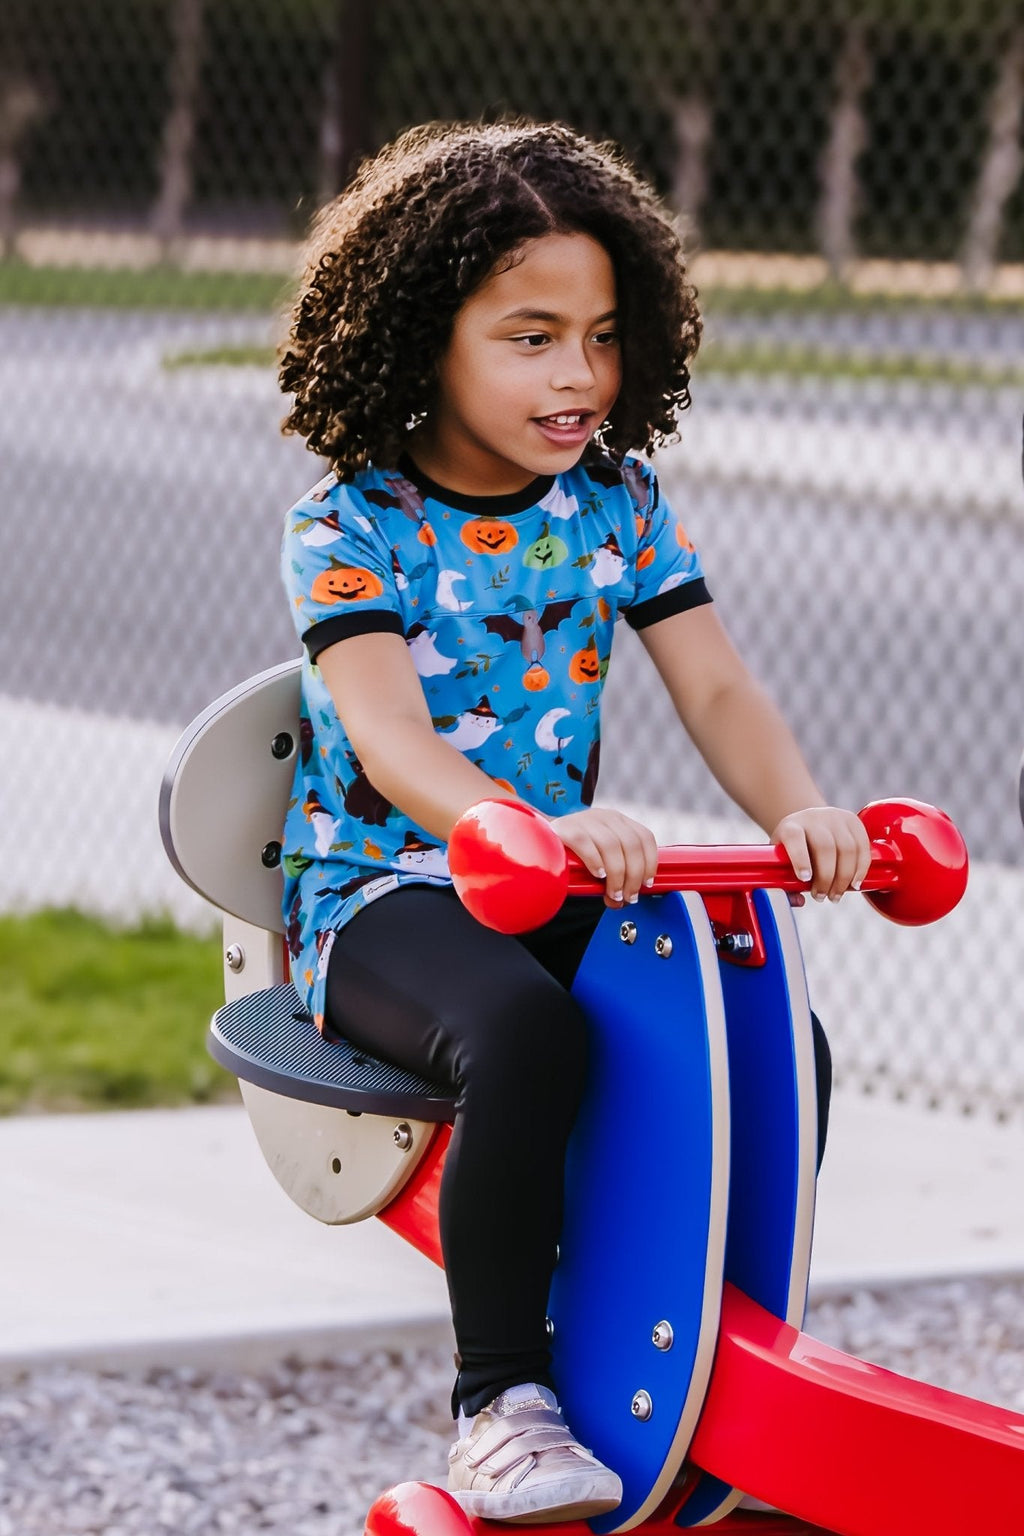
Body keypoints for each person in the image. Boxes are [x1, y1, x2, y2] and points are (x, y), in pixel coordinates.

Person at [276, 120, 872, 1525]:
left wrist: (803, 811)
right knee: (527, 1034)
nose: (579, 377)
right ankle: (503, 1400)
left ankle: (718, 1346)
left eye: (602, 337)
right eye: (532, 337)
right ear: (427, 335)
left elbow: (716, 683)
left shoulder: (616, 506)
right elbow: (389, 737)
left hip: (543, 887)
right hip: (380, 895)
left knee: (768, 1042)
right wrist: (519, 828)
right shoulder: (349, 524)